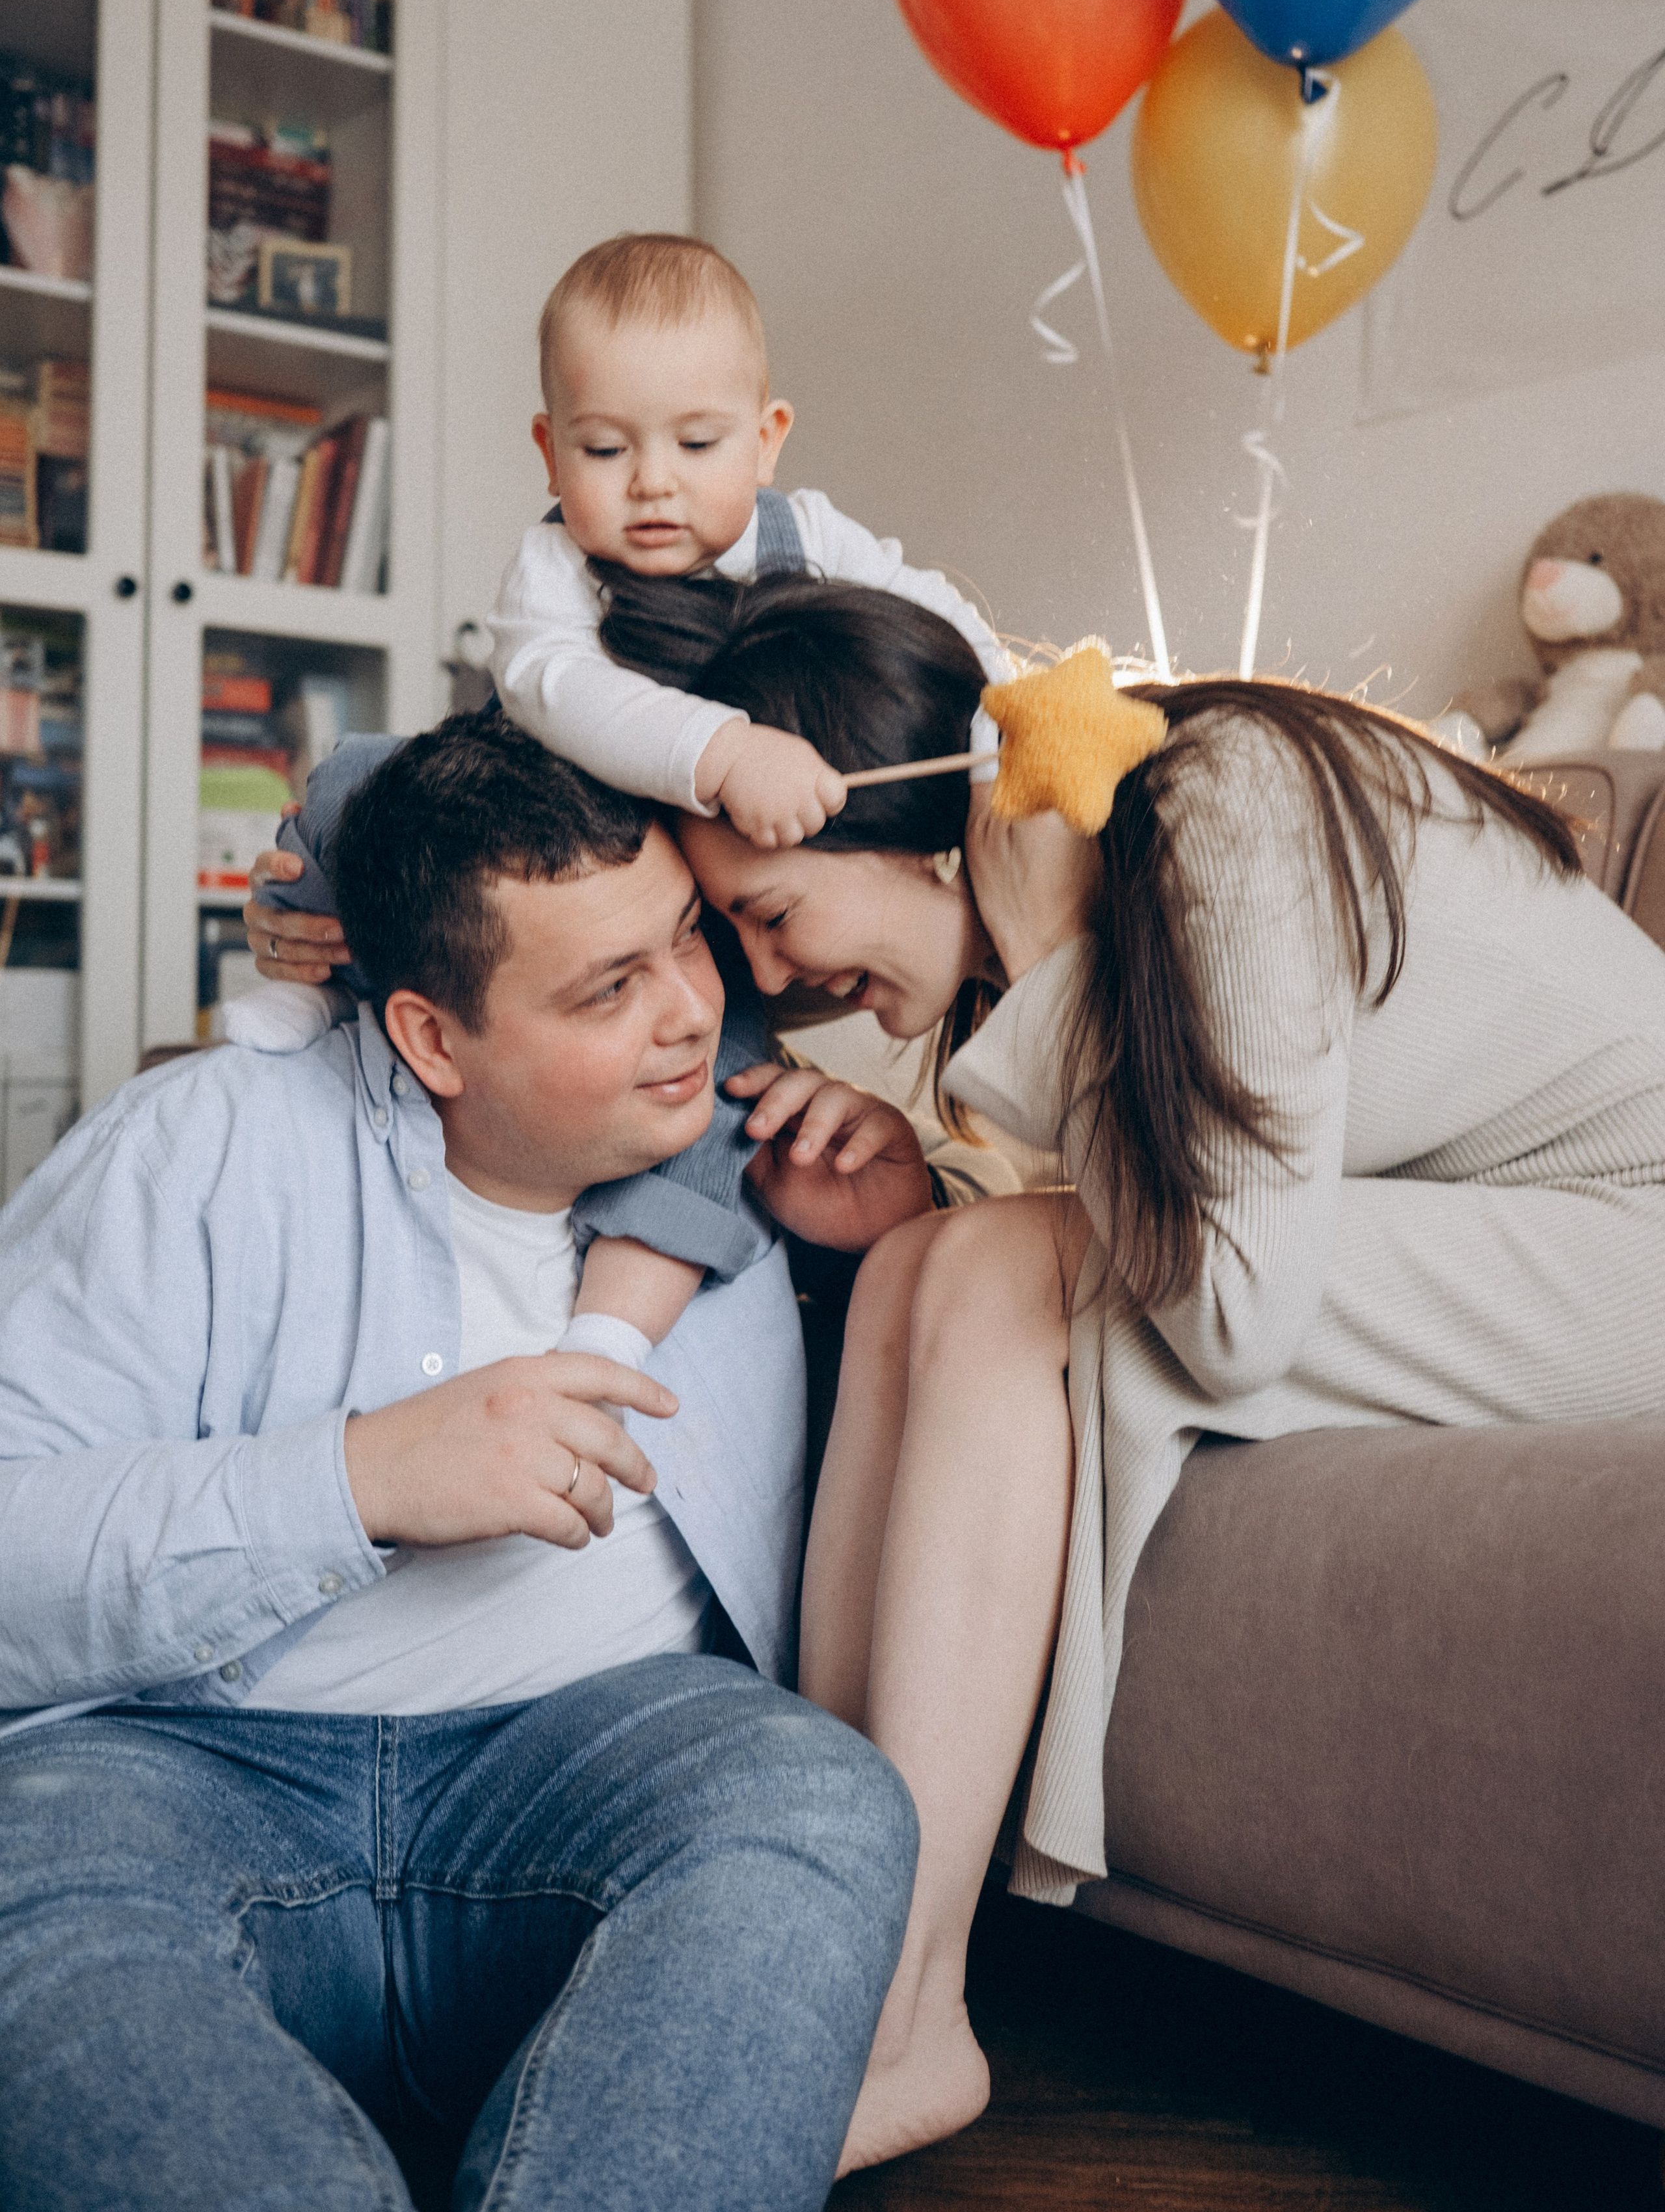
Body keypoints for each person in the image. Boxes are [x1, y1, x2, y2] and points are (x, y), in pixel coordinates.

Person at [618, 572, 1665, 2176]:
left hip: (1630, 1246)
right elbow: (1180, 1191)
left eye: (772, 913)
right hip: (1487, 1215)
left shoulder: (1223, 802)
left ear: (909, 825)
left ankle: (907, 2010)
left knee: (993, 1271)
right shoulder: (1136, 843)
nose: (778, 976)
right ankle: (809, 1943)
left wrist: (1041, 959)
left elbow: (1228, 1305)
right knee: (928, 1255)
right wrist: (915, 1191)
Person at [0, 710, 929, 2212]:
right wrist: (358, 1479)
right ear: (433, 1033)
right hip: (177, 1770)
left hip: (589, 1759)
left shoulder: (756, 1158)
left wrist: (899, 1227)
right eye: (606, 987)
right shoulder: (200, 1141)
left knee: (816, 1802)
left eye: (685, 941)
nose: (690, 1012)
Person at [239, 226, 1007, 1438]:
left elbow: (944, 613)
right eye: (605, 448)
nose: (652, 483)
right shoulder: (557, 569)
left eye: (697, 445)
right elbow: (555, 692)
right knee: (349, 779)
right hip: (543, 816)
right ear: (551, 449)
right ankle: (303, 980)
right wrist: (720, 756)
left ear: (768, 437)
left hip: (673, 886)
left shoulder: (810, 543)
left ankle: (611, 1324)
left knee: (719, 1080)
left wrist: (1009, 725)